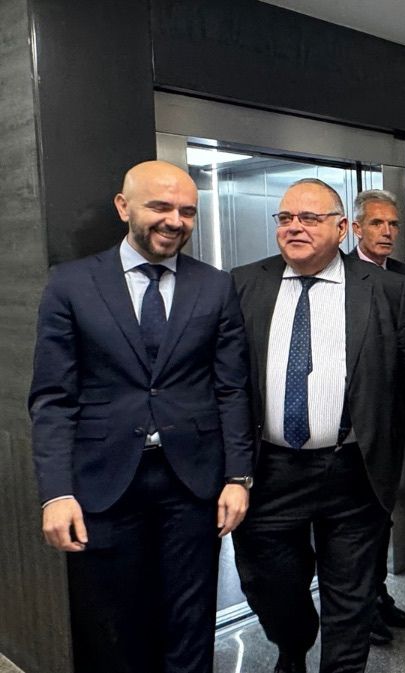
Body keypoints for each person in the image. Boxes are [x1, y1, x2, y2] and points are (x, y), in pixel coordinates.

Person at [29, 160, 254, 673]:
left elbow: (232, 388)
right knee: (112, 625)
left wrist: (239, 476)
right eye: (160, 206)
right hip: (101, 484)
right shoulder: (70, 284)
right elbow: (52, 397)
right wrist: (56, 491)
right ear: (123, 206)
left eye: (187, 211)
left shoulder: (215, 287)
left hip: (191, 483)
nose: (174, 220)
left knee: (190, 622)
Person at [231, 178, 405, 673]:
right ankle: (293, 643)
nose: (295, 228)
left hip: (354, 467)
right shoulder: (244, 282)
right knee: (269, 585)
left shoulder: (387, 288)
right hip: (270, 471)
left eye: (309, 218)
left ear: (341, 227)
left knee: (351, 594)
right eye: (286, 219)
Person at [350, 188, 405, 644]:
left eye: (393, 224)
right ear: (355, 228)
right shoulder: (344, 275)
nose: (388, 232)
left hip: (391, 422)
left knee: (382, 513)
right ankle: (361, 608)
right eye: (377, 224)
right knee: (359, 520)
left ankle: (378, 594)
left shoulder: (401, 276)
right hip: (354, 425)